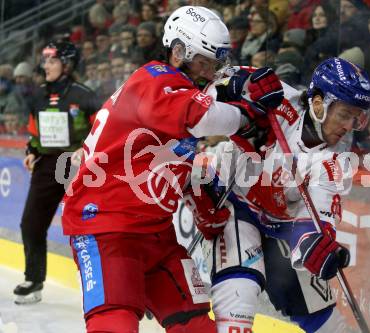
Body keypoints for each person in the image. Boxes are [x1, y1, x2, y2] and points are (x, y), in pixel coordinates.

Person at [61, 6, 284, 333]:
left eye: (216, 64)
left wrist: (200, 197)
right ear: (178, 52)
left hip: (155, 233)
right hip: (106, 224)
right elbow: (198, 118)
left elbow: (174, 153)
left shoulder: (176, 90)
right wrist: (248, 114)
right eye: (205, 62)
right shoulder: (154, 78)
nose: (211, 73)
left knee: (192, 321)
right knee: (115, 320)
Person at [185, 57, 370, 333]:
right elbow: (212, 89)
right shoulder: (281, 99)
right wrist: (239, 86)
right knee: (239, 294)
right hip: (236, 203)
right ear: (319, 103)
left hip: (282, 225)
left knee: (324, 320)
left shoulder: (336, 162)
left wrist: (315, 247)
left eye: (357, 118)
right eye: (345, 114)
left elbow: (317, 220)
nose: (349, 126)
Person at [13, 41, 100, 305]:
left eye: (52, 61)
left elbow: (101, 129)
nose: (45, 65)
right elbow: (34, 130)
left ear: (67, 64)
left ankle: (100, 285)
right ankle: (34, 280)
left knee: (89, 227)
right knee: (30, 223)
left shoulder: (84, 94)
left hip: (79, 166)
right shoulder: (37, 95)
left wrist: (87, 151)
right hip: (47, 165)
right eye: (45, 61)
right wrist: (31, 150)